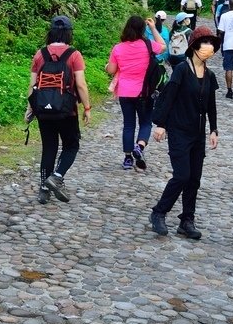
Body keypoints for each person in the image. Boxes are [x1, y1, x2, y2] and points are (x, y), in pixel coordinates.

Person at [149, 27, 220, 240]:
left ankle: (187, 220)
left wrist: (213, 129)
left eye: (211, 44)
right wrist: (161, 124)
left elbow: (211, 105)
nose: (208, 47)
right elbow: (168, 97)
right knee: (182, 175)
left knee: (194, 179)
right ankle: (159, 212)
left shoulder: (209, 75)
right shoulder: (181, 69)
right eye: (204, 43)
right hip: (179, 131)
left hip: (197, 134)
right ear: (194, 47)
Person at [26, 15, 92, 204]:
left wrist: (29, 108)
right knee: (71, 145)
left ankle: (44, 190)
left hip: (43, 110)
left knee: (49, 147)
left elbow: (32, 85)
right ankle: (57, 176)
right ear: (69, 33)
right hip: (66, 110)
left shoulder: (40, 54)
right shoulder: (74, 55)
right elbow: (80, 85)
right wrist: (87, 107)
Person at [106, 15, 165, 172]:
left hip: (125, 92)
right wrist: (153, 28)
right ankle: (139, 147)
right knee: (145, 122)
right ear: (142, 30)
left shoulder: (118, 48)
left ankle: (127, 159)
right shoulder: (148, 45)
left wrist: (107, 66)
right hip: (144, 92)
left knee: (128, 124)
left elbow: (111, 70)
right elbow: (163, 46)